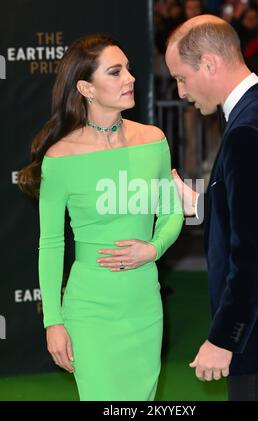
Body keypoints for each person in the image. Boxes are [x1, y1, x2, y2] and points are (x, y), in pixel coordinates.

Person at [18, 34, 183, 401]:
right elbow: (51, 244)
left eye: (128, 68)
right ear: (85, 87)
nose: (130, 78)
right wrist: (53, 322)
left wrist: (153, 248)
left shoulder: (153, 140)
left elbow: (172, 213)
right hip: (90, 309)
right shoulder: (60, 159)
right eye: (115, 71)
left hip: (144, 305)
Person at [166, 15, 258, 400]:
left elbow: (255, 253)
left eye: (182, 78)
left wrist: (225, 338)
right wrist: (202, 205)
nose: (180, 92)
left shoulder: (249, 130)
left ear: (209, 63)